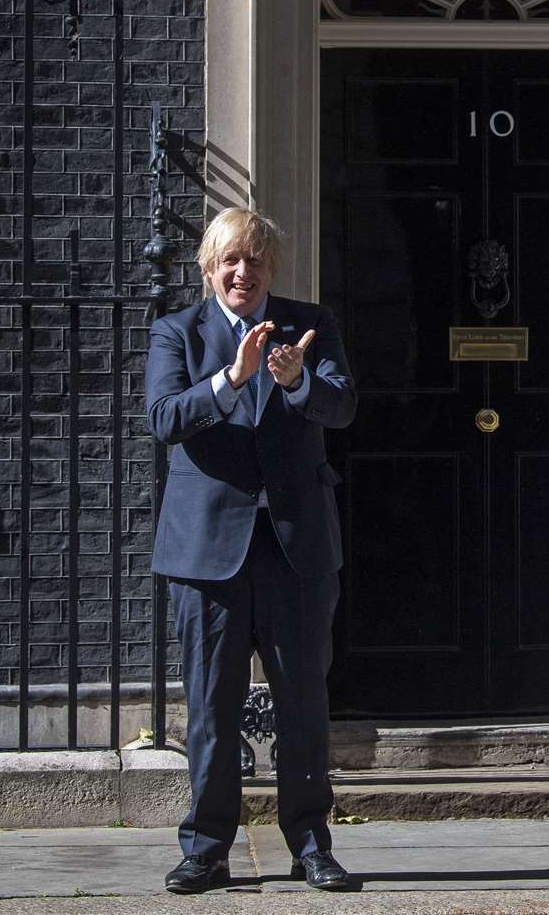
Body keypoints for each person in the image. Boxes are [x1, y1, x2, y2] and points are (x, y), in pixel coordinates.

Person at [146, 207, 356, 893]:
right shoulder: (179, 331)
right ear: (211, 269)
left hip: (295, 545)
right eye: (231, 261)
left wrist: (296, 379)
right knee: (211, 705)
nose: (245, 272)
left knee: (303, 703)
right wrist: (231, 379)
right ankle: (207, 848)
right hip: (208, 551)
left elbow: (343, 406)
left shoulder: (309, 324)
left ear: (271, 269)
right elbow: (163, 418)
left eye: (257, 261)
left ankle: (311, 845)